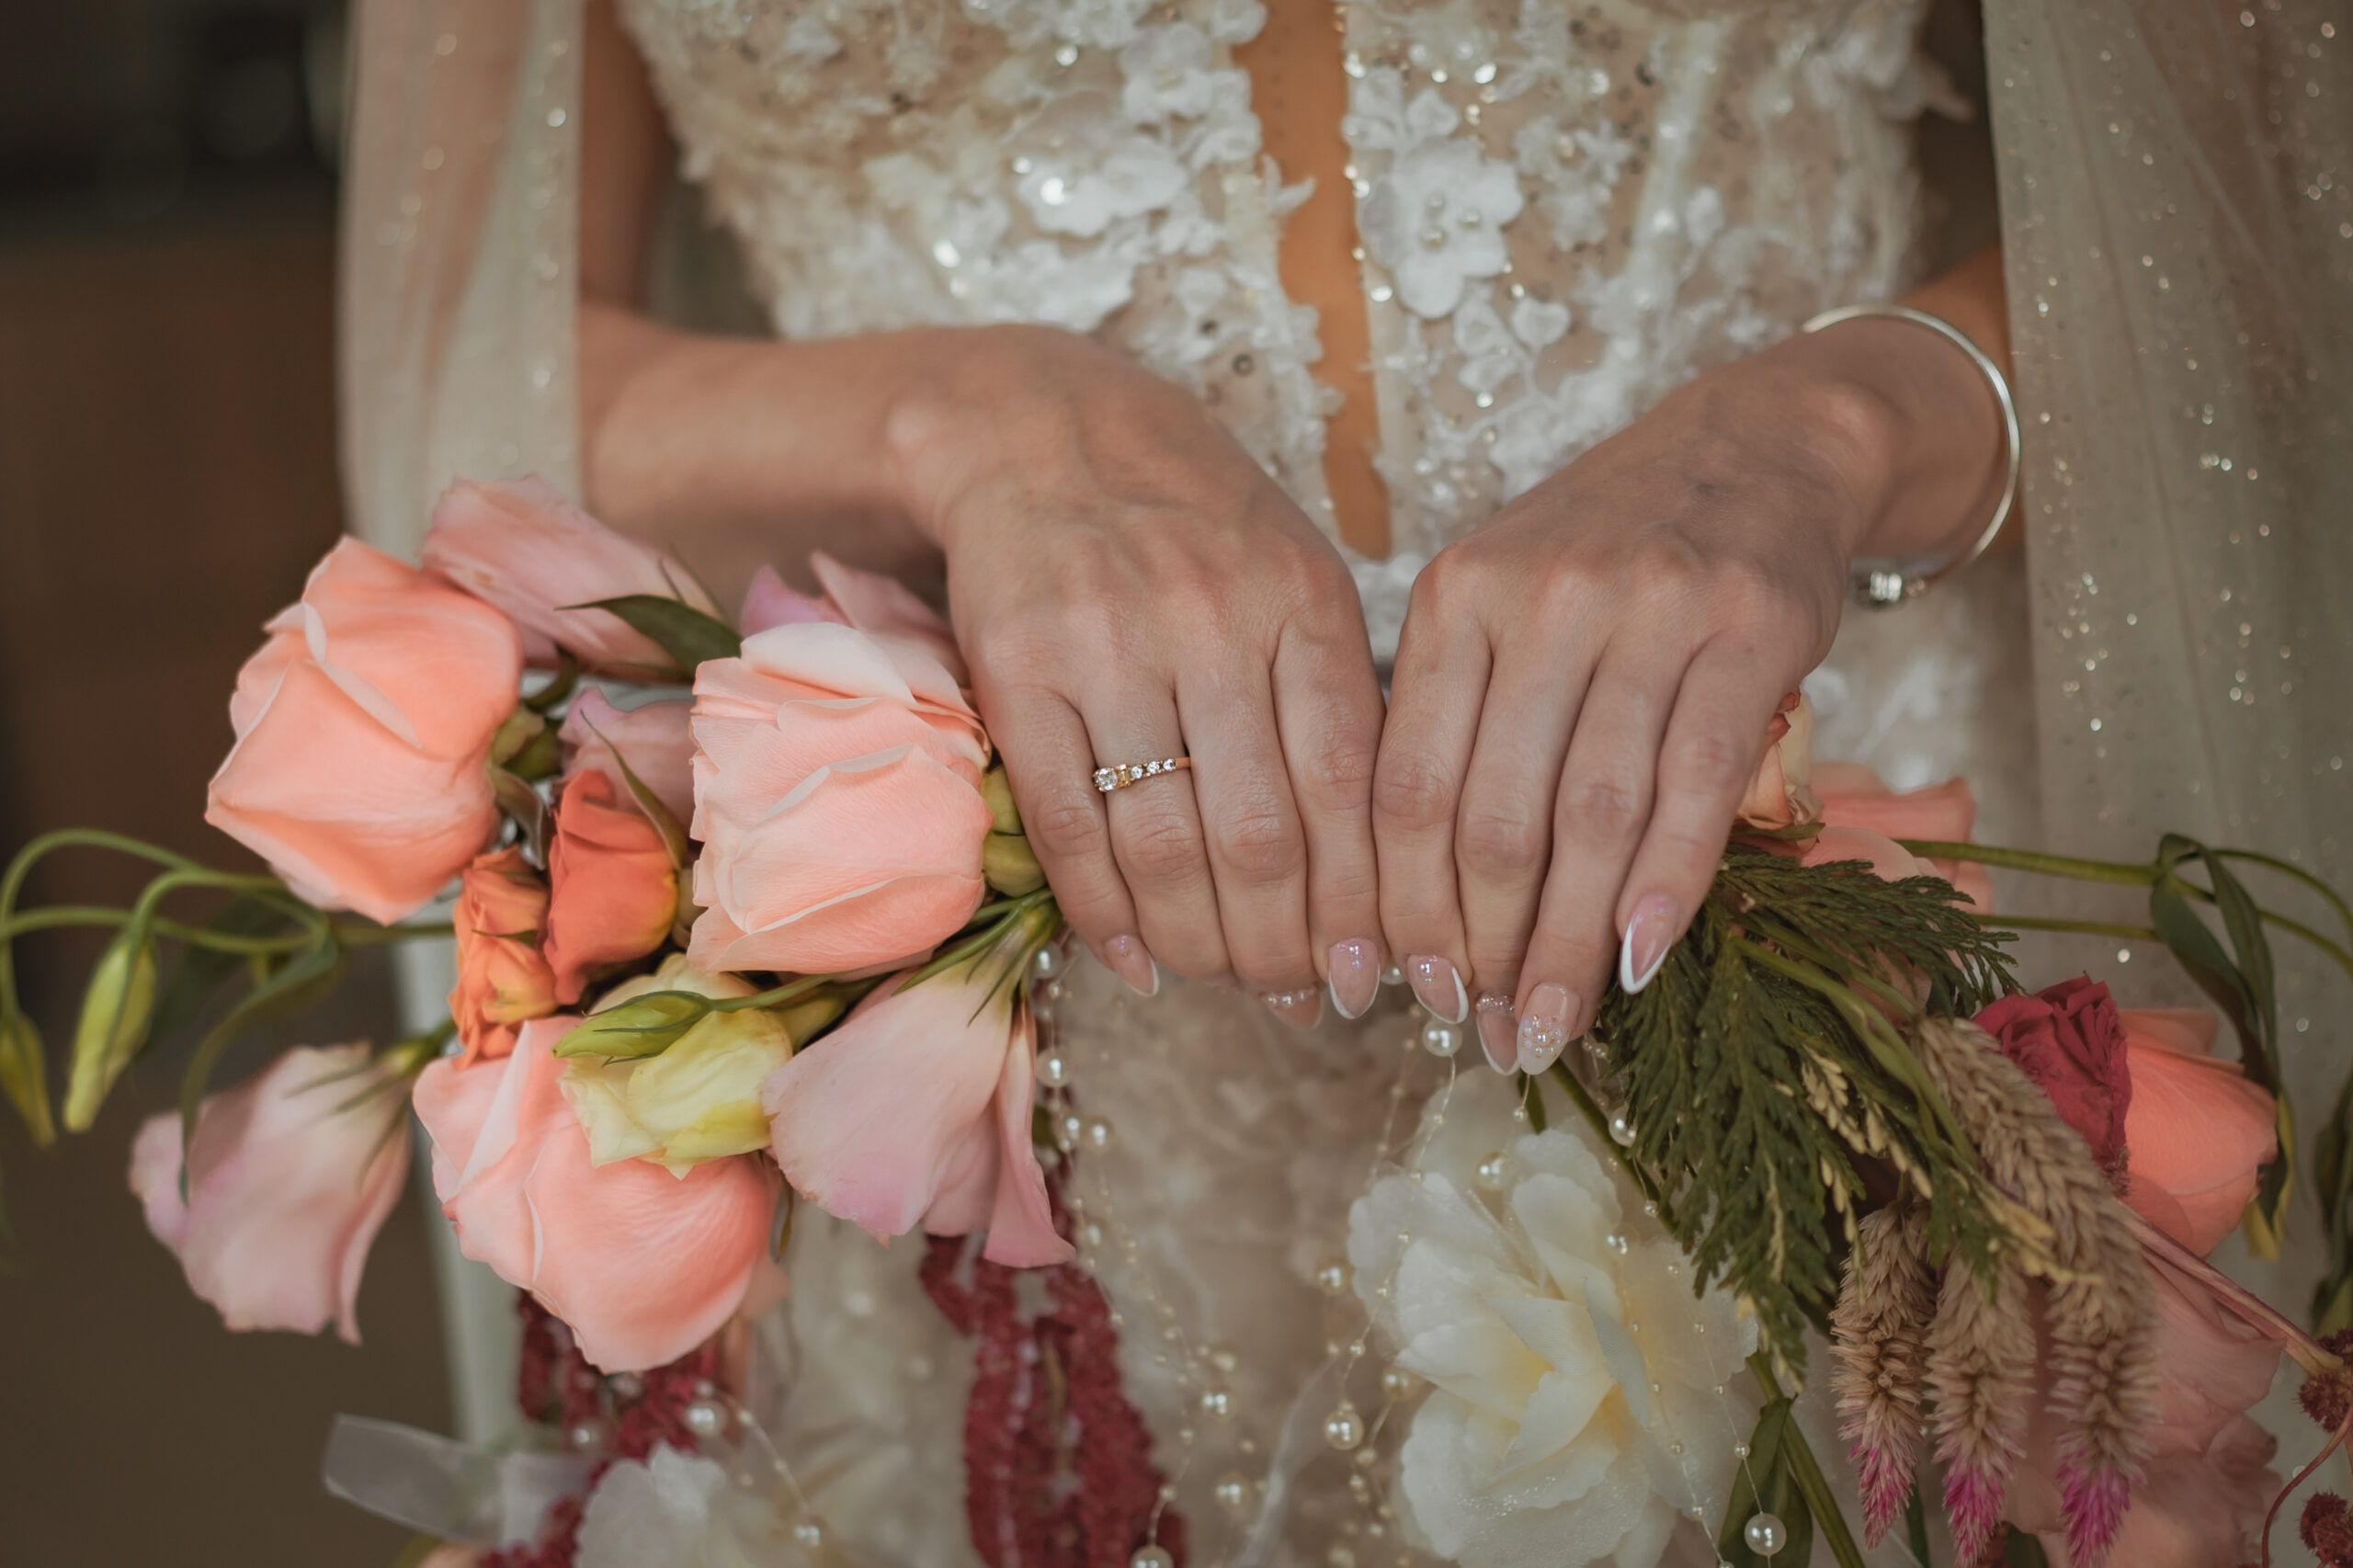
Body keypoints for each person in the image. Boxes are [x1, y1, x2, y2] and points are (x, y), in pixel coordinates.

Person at [344, 2, 2350, 1563]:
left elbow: (2265, 202)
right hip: (1020, 1103)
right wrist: (962, 421)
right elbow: (460, 383)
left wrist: (1839, 427)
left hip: (1860, 943)